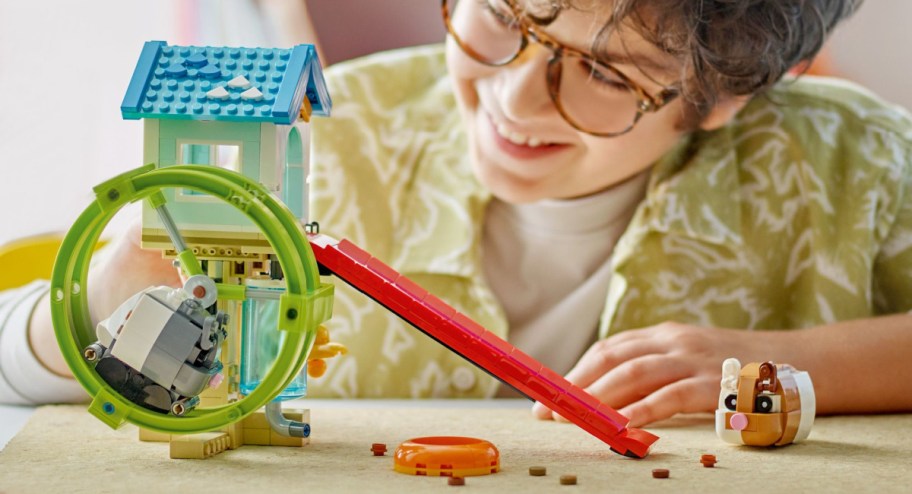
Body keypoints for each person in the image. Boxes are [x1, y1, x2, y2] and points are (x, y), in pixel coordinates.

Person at [3, 0, 911, 428]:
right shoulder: (318, 132)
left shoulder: (854, 162)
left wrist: (802, 367)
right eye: (500, 19)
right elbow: (14, 367)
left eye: (602, 71)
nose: (515, 99)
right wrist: (93, 308)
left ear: (722, 98)